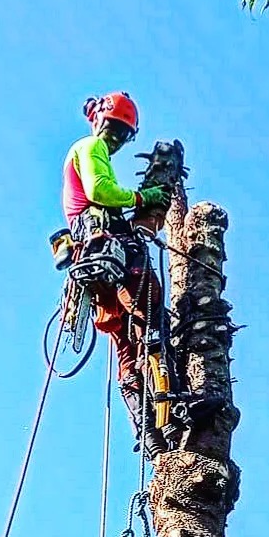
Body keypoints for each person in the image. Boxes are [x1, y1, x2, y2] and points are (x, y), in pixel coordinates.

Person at [62, 91, 172, 455]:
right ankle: (165, 394)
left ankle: (149, 429)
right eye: (114, 131)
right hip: (106, 247)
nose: (115, 141)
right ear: (100, 122)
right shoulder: (88, 147)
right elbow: (100, 190)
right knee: (150, 305)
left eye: (123, 136)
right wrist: (142, 199)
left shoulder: (94, 148)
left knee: (124, 337)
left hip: (97, 259)